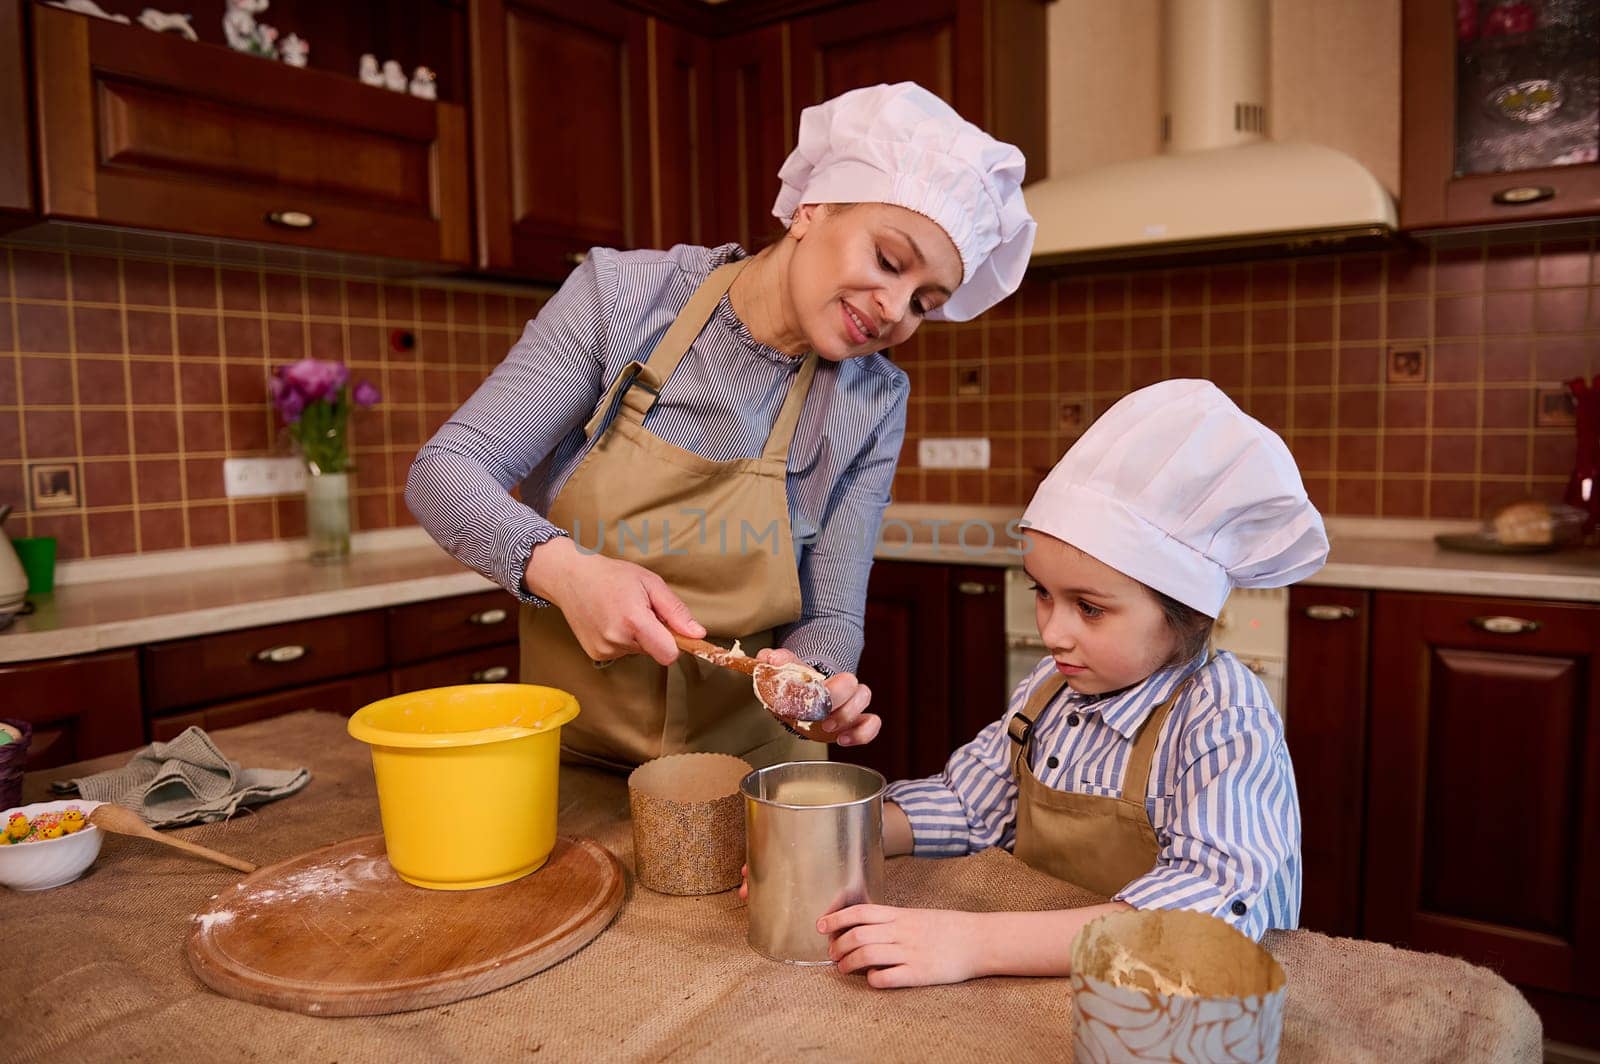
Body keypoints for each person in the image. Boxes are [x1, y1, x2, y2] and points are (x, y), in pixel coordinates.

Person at [407, 82, 1036, 771]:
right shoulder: (622, 300)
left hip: (748, 779)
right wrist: (566, 572)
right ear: (811, 209)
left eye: (925, 301)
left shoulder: (872, 399)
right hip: (571, 763)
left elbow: (831, 614)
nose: (893, 309)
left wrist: (815, 688)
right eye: (888, 259)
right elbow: (446, 471)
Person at [817, 379, 1330, 987]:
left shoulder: (1222, 715)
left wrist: (975, 942)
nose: (1053, 632)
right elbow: (969, 806)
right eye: (1042, 593)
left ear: (1186, 614)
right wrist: (837, 840)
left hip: (1170, 1014)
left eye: (1088, 608)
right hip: (1055, 987)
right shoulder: (1050, 689)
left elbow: (1204, 914)